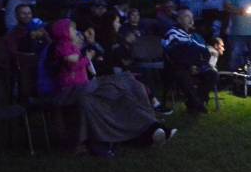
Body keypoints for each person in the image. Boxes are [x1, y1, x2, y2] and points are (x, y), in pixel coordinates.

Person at [48, 18, 174, 155]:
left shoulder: (79, 47)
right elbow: (75, 65)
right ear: (64, 33)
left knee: (128, 91)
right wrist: (88, 57)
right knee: (121, 87)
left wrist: (92, 45)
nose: (77, 33)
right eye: (73, 29)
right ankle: (146, 129)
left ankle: (152, 127)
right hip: (81, 89)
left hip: (93, 84)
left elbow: (99, 60)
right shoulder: (61, 48)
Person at [163, 9, 219, 113]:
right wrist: (190, 66)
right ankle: (197, 104)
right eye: (187, 16)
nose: (191, 20)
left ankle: (195, 103)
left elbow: (204, 50)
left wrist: (201, 63)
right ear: (179, 20)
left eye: (192, 17)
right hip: (179, 67)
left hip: (198, 66)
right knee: (182, 75)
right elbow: (173, 54)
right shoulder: (173, 33)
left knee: (212, 74)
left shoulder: (194, 35)